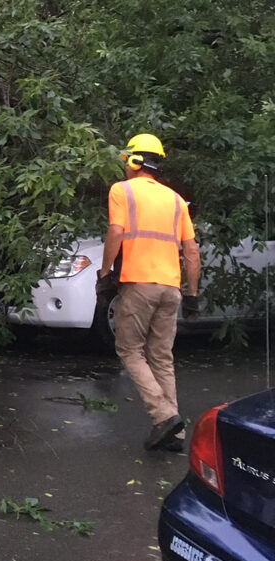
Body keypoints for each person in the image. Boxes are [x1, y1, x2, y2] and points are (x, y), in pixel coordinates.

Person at [97, 133, 200, 452]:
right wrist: (193, 294)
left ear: (135, 161)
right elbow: (192, 252)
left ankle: (165, 416)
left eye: (128, 159)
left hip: (139, 285)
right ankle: (175, 434)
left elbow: (116, 231)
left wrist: (104, 273)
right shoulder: (175, 200)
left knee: (129, 349)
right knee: (161, 356)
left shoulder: (122, 190)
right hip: (170, 288)